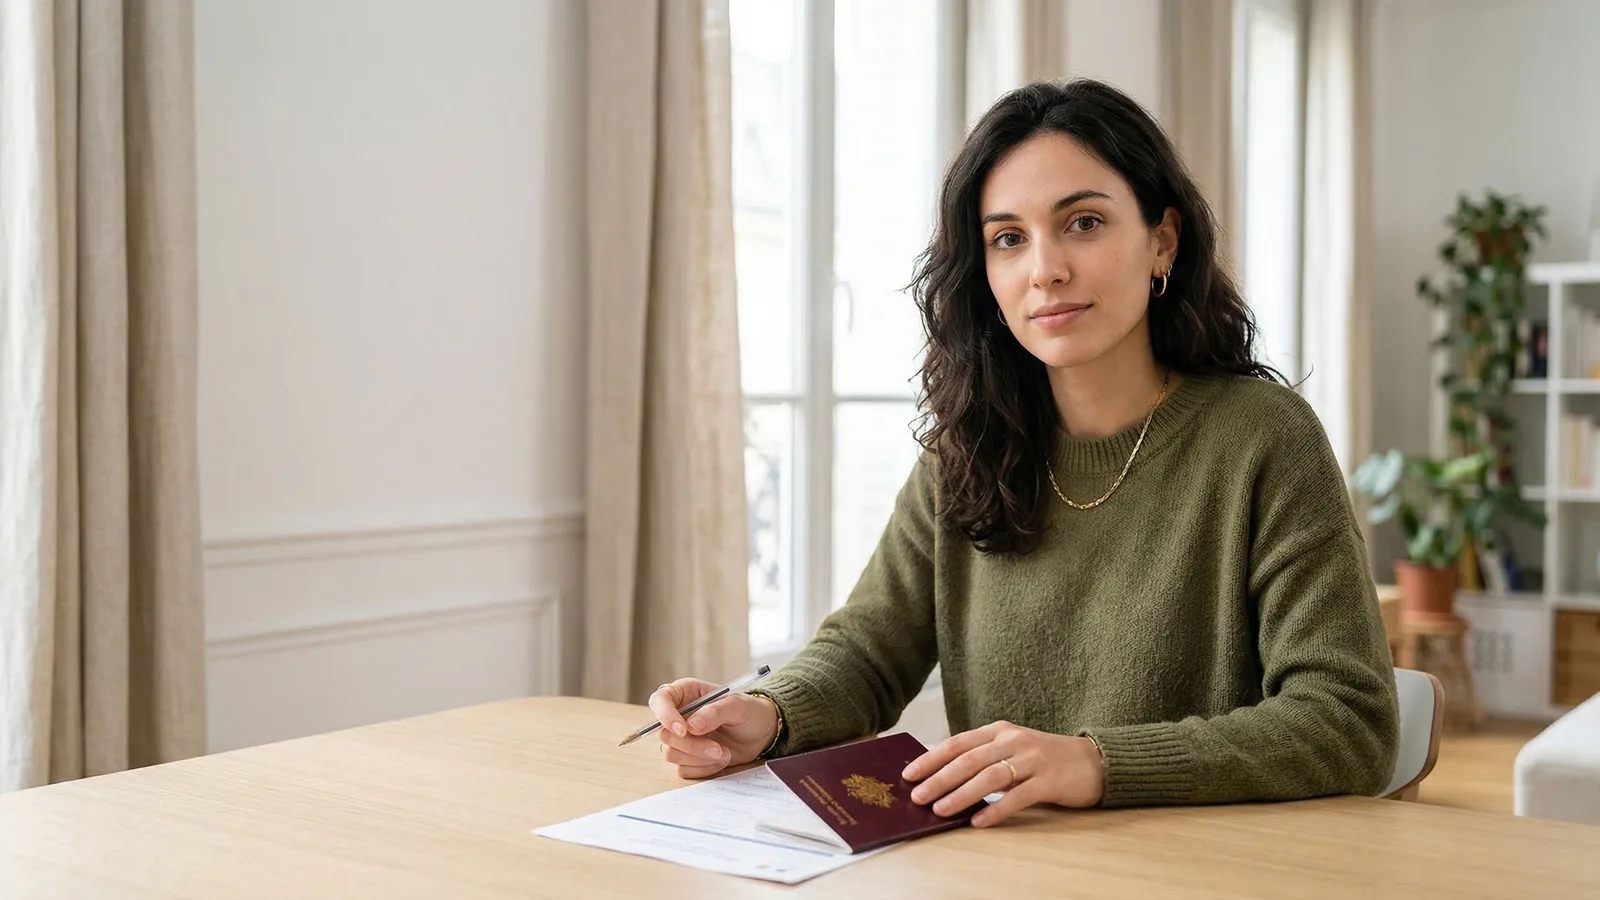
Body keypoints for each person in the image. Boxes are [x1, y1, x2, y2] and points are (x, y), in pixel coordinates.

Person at [647, 78, 1399, 828]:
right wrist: (767, 714)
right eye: (1009, 238)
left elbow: (1346, 719)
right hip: (1011, 864)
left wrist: (1097, 761)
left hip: (1200, 870)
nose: (1046, 269)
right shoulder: (967, 448)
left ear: (1161, 241)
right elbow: (868, 651)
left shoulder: (1263, 438)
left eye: (1083, 223)